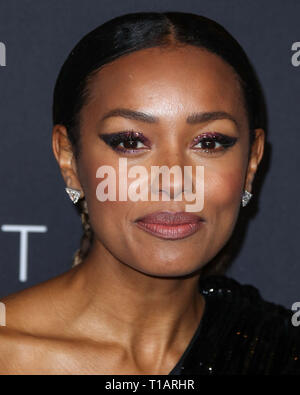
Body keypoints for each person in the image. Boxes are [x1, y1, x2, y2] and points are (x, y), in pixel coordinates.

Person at [0, 11, 299, 375]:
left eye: (209, 142)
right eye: (130, 142)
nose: (174, 181)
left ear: (252, 163)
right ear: (69, 159)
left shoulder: (279, 353)